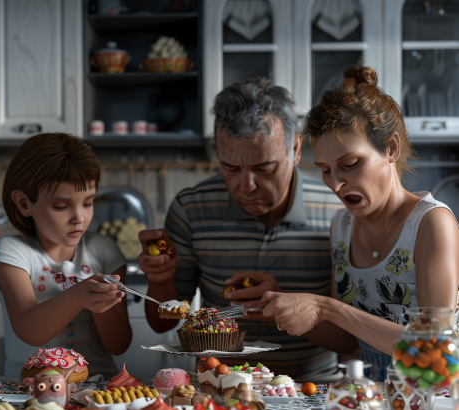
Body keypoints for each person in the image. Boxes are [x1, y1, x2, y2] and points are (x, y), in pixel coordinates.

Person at [138, 77, 355, 380]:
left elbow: (352, 339)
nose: (246, 187)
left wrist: (283, 302)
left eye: (264, 168)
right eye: (230, 168)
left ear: (295, 149)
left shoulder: (340, 212)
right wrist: (159, 280)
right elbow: (162, 323)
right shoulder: (191, 209)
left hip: (312, 391)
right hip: (218, 386)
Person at [261, 65, 459, 381]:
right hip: (370, 406)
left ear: (391, 148)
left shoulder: (431, 223)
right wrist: (281, 303)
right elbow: (350, 342)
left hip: (436, 407)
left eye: (350, 164)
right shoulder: (342, 226)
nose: (335, 185)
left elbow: (433, 349)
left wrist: (326, 308)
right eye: (325, 169)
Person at [0, 133, 132, 379]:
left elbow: (118, 344)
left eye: (87, 203)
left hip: (98, 386)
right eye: (61, 206)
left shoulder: (104, 250)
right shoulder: (11, 252)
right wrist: (78, 296)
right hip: (27, 388)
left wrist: (103, 303)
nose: (79, 217)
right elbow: (28, 328)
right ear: (24, 203)